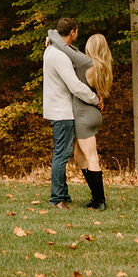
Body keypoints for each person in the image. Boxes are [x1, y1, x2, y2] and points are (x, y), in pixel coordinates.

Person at [41, 16, 99, 208]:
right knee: (62, 154)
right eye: (77, 31)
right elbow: (74, 85)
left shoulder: (51, 49)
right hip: (62, 110)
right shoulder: (60, 56)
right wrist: (94, 99)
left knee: (63, 152)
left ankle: (63, 195)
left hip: (58, 108)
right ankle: (57, 198)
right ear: (72, 31)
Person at [56, 32, 116, 210]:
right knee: (79, 156)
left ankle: (100, 201)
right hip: (92, 114)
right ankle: (96, 198)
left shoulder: (85, 64)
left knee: (91, 157)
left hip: (84, 116)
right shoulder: (102, 66)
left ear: (91, 47)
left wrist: (52, 37)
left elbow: (66, 48)